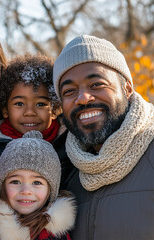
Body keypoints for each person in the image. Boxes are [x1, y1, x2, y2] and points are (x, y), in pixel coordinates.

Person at [52, 34, 154, 240]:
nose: (83, 98)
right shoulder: (60, 173)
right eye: (69, 91)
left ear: (127, 88)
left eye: (97, 84)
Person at [0, 54, 70, 190]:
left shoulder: (68, 146)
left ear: (55, 108)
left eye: (40, 104)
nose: (30, 112)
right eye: (19, 103)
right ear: (5, 109)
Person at [0, 130, 76, 240]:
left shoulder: (57, 233)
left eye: (37, 182)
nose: (26, 190)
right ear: (2, 186)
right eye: (15, 181)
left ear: (51, 189)